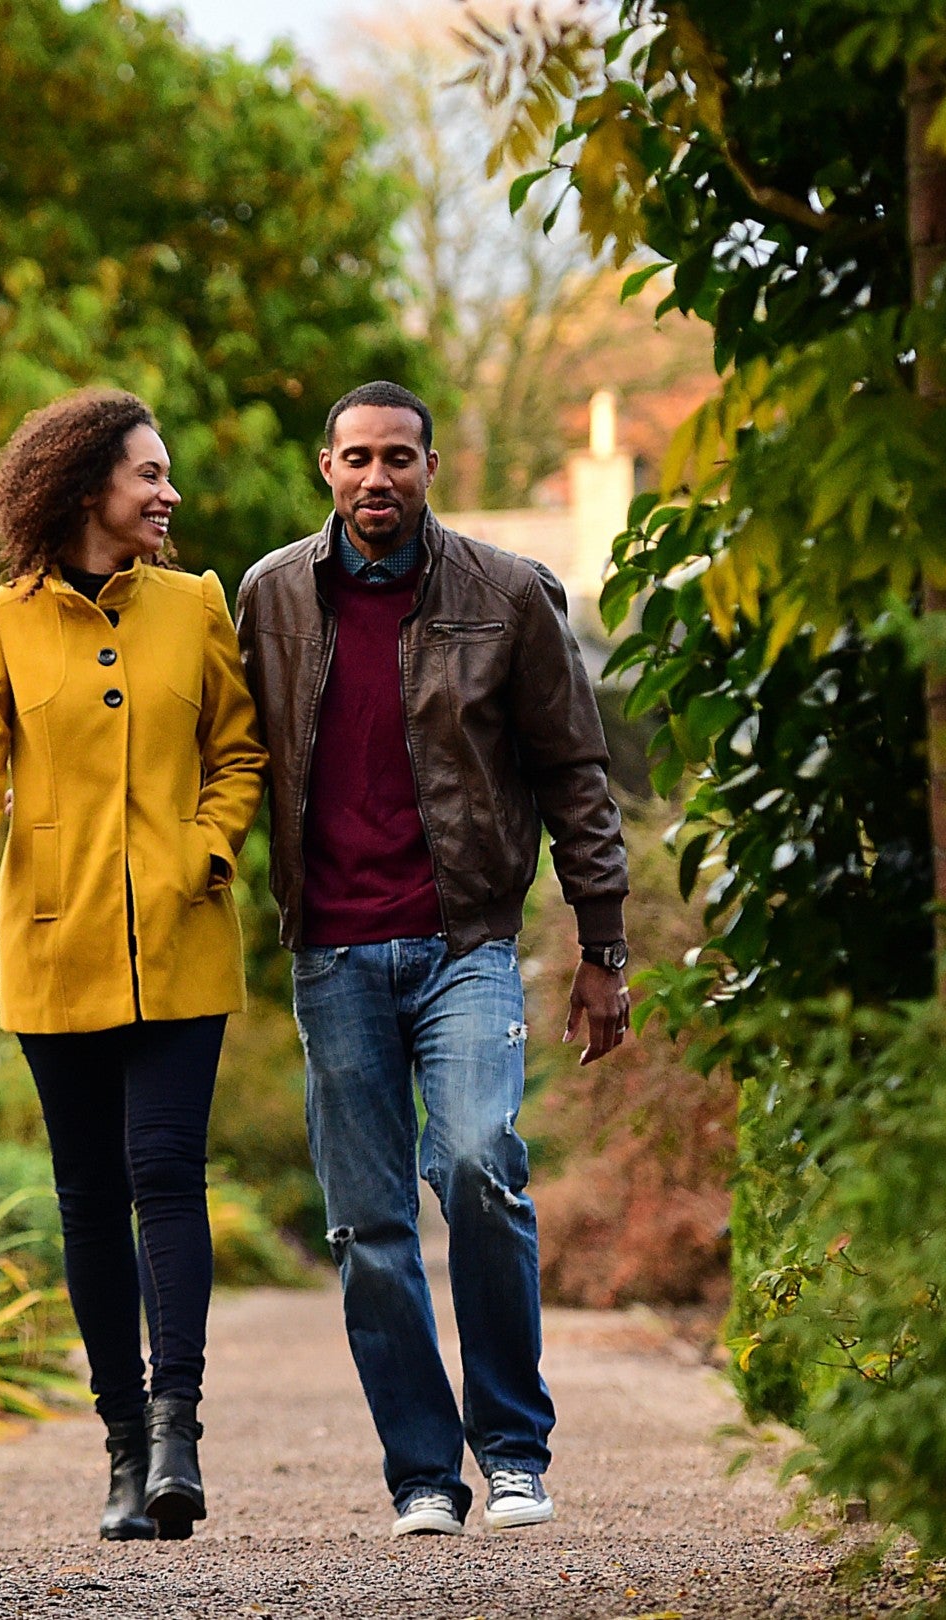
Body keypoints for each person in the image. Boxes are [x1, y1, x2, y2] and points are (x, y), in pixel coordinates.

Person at [235, 380, 631, 1539]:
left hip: (464, 941)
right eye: (356, 459)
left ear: (431, 466)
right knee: (367, 1227)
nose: (376, 479)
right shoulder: (267, 599)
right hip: (334, 954)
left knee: (477, 1165)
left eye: (397, 459)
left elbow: (576, 774)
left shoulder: (507, 595)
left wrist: (602, 945)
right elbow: (213, 756)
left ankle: (512, 1448)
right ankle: (422, 1473)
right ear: (325, 469)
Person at [0, 387, 267, 1542]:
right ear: (85, 489)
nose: (169, 493)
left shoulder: (197, 604)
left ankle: (178, 1435)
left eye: (167, 476)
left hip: (180, 937)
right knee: (86, 1197)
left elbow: (240, 750)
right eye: (149, 475)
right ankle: (122, 1446)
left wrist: (207, 848)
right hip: (53, 941)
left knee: (166, 1173)